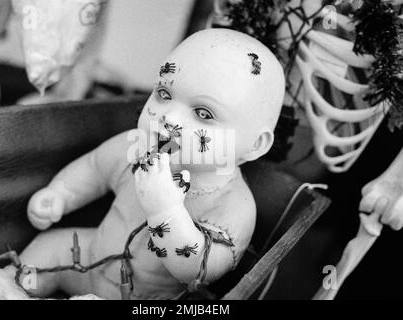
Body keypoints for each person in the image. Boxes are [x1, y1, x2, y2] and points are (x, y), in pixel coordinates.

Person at [20, 28, 286, 299]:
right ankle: (12, 287)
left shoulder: (233, 205)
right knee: (48, 249)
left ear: (255, 144)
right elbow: (95, 168)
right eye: (164, 94)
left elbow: (198, 270)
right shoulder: (137, 147)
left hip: (148, 298)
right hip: (87, 259)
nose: (169, 118)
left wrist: (165, 210)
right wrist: (61, 193)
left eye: (203, 113)